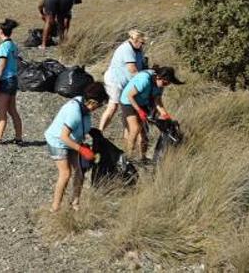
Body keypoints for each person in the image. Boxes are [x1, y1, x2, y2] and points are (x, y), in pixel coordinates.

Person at [44, 82, 108, 212]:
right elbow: (64, 137)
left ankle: (75, 202)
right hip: (57, 141)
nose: (100, 107)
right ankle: (55, 207)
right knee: (65, 173)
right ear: (92, 102)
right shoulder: (74, 111)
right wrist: (82, 150)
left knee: (79, 170)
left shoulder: (84, 106)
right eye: (100, 104)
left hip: (73, 140)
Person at [119, 66, 184, 161]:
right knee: (135, 128)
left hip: (142, 103)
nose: (165, 85)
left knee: (143, 132)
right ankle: (129, 157)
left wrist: (165, 115)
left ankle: (143, 158)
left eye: (167, 84)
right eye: (165, 82)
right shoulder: (144, 80)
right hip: (128, 102)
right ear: (158, 77)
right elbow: (130, 95)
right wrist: (139, 111)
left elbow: (158, 102)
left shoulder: (160, 85)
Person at [98, 30, 146, 132]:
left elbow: (141, 65)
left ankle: (126, 131)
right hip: (115, 81)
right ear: (135, 40)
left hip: (126, 82)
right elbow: (132, 69)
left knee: (126, 106)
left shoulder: (138, 49)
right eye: (141, 42)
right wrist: (144, 80)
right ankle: (100, 131)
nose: (142, 45)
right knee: (113, 106)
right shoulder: (126, 49)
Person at [0, 19, 23, 145]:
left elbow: (2, 63)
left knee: (2, 111)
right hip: (13, 79)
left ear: (1, 31)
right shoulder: (13, 45)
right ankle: (19, 137)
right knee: (12, 109)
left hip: (6, 80)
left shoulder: (4, 46)